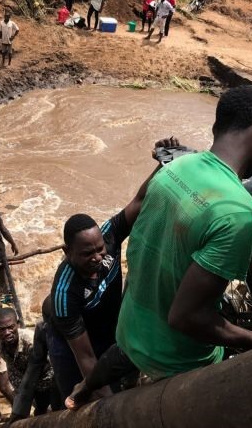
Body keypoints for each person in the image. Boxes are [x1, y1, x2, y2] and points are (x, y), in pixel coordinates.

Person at [66, 86, 252, 409]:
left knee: (121, 357)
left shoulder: (173, 168)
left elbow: (138, 207)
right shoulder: (240, 211)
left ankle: (81, 391)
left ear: (215, 128)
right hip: (177, 361)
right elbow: (186, 318)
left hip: (130, 328)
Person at [43, 136, 180, 403]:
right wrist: (109, 406)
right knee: (78, 397)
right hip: (74, 345)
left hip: (109, 327)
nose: (96, 257)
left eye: (99, 250)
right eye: (86, 254)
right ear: (66, 252)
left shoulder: (108, 235)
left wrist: (164, 163)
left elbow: (140, 200)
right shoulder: (65, 294)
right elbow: (86, 358)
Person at [0, 308, 56, 415]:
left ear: (18, 325)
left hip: (44, 381)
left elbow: (44, 366)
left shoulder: (30, 342)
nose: (7, 332)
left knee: (45, 412)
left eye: (11, 327)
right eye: (2, 329)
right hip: (20, 381)